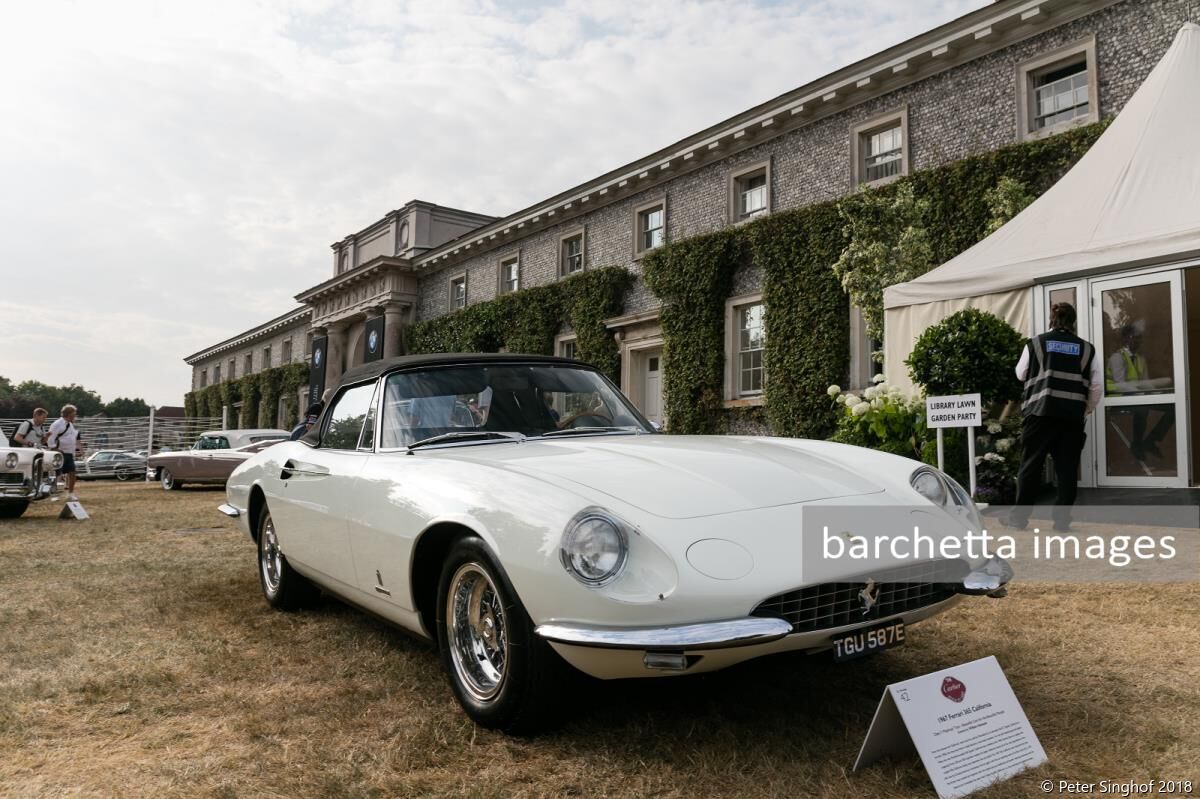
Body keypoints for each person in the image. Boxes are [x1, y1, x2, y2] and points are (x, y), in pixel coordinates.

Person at [1007, 303, 1101, 531]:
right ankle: (1061, 522)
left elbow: (1020, 374)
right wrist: (1086, 408)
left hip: (1039, 414)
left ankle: (1019, 520)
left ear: (1052, 319)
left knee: (1030, 466)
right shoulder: (1087, 349)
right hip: (1071, 418)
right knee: (1067, 470)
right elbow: (1096, 386)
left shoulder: (1035, 344)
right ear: (1073, 321)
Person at [1105, 320, 1174, 461]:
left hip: (1135, 396)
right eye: (1133, 337)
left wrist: (1157, 394)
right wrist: (1144, 391)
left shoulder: (1141, 359)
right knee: (1142, 408)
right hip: (1116, 398)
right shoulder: (1117, 357)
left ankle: (1151, 441)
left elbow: (1146, 383)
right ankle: (1137, 445)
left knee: (1173, 408)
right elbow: (1121, 385)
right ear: (1125, 339)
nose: (1137, 340)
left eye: (1138, 337)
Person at [46, 404, 82, 501]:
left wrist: (76, 450)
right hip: (60, 453)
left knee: (72, 473)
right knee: (57, 474)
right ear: (68, 414)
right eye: (74, 414)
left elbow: (73, 437)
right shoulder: (57, 424)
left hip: (69, 453)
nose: (75, 416)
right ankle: (54, 495)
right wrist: (54, 449)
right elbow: (50, 437)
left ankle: (70, 493)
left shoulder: (70, 425)